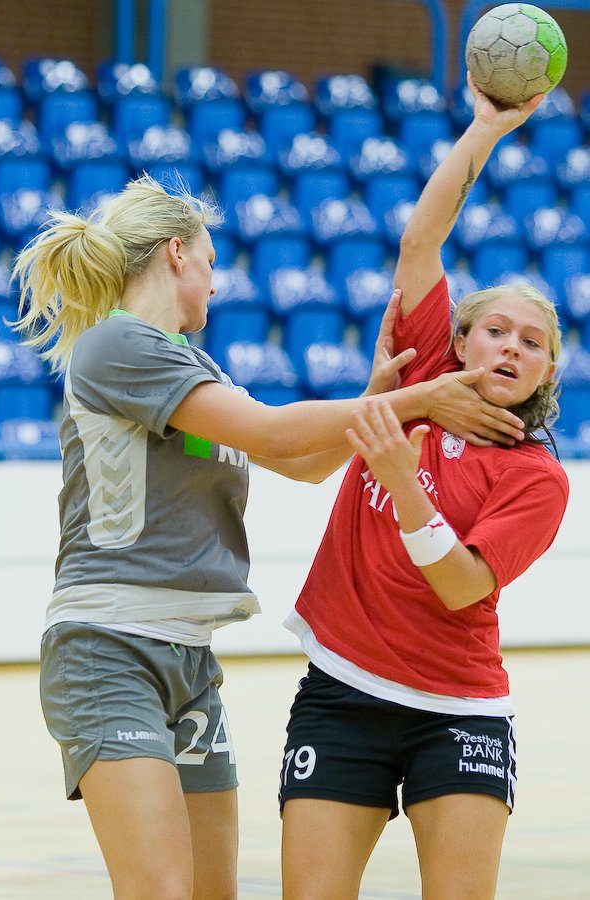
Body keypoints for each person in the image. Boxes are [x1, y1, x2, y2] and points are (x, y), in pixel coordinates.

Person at [14, 172, 526, 900]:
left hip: (188, 657)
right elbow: (270, 429)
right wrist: (420, 398)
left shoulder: (195, 366)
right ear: (177, 254)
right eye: (214, 262)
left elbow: (303, 462)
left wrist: (379, 399)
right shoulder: (119, 346)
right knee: (159, 889)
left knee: (210, 891)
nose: (217, 285)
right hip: (108, 646)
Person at [279, 77, 570, 900]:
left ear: (548, 371)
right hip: (340, 695)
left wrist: (406, 484)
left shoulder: (535, 477)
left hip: (460, 712)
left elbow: (461, 586)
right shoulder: (421, 374)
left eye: (534, 343)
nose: (511, 347)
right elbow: (421, 240)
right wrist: (484, 128)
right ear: (461, 338)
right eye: (496, 330)